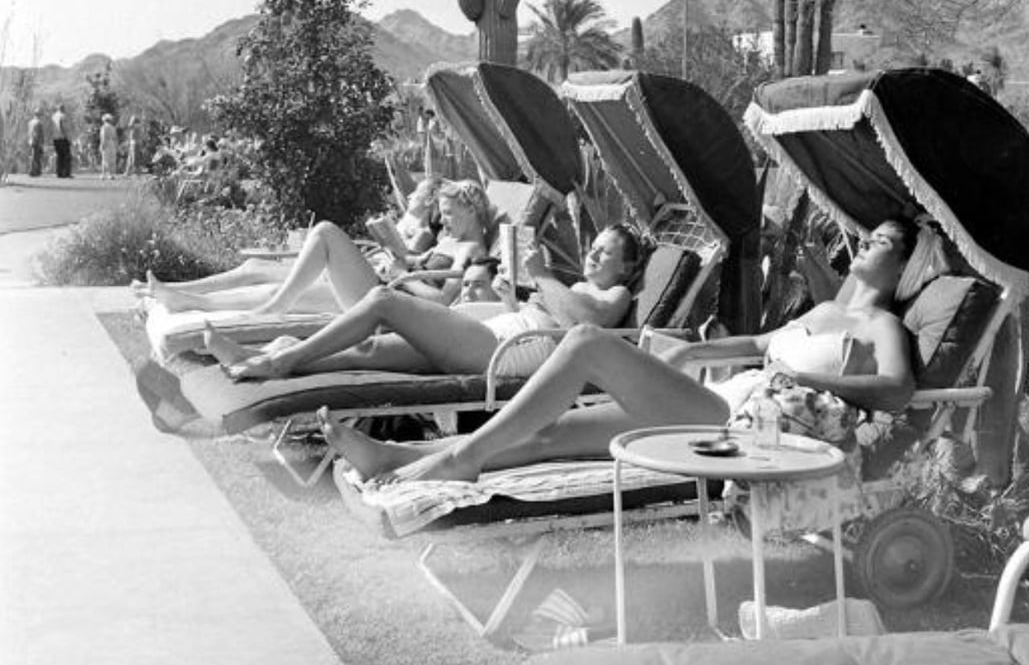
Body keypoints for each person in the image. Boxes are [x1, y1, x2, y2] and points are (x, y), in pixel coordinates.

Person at [317, 219, 925, 485]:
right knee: (547, 435)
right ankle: (394, 456)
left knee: (586, 342)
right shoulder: (821, 314)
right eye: (868, 236)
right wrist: (687, 355)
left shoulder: (881, 326)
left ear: (904, 264)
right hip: (718, 402)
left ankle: (460, 458)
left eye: (884, 241)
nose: (868, 244)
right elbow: (760, 344)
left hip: (745, 429)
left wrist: (805, 377)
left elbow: (898, 391)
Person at [204, 223, 642, 382]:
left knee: (382, 300)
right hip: (492, 336)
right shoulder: (573, 290)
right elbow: (551, 320)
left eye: (605, 252)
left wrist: (542, 275)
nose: (593, 254)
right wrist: (512, 298)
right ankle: (263, 356)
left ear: (624, 268)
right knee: (367, 351)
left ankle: (279, 360)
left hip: (495, 354)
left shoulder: (612, 295)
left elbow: (594, 323)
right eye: (594, 245)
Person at [141, 178, 495, 315]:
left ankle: (272, 307)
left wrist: (404, 273)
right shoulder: (451, 240)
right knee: (261, 275)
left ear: (471, 209)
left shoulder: (472, 251)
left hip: (393, 302)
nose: (442, 220)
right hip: (384, 286)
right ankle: (183, 296)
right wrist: (401, 256)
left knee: (325, 231)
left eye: (449, 213)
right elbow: (420, 263)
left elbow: (443, 304)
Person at [394, 176, 442, 256]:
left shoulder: (425, 234)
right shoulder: (420, 228)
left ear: (429, 200)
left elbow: (405, 259)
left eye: (417, 192)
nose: (409, 197)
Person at [51, 103, 72, 178]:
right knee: (67, 156)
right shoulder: (63, 116)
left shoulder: (53, 116)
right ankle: (66, 173)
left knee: (59, 156)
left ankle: (59, 172)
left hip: (55, 138)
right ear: (63, 108)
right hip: (62, 138)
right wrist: (67, 137)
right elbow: (62, 127)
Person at [99, 114, 119, 179]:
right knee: (112, 159)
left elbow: (103, 136)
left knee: (105, 159)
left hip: (106, 143)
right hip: (112, 143)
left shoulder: (104, 127)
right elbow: (115, 137)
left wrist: (102, 145)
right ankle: (111, 174)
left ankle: (103, 174)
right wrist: (116, 146)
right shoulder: (113, 127)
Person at [27, 108, 45, 177]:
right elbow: (40, 134)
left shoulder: (30, 122)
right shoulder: (39, 123)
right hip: (37, 141)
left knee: (35, 156)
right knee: (36, 157)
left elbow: (29, 132)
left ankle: (37, 171)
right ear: (39, 115)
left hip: (31, 141)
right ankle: (33, 171)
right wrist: (41, 143)